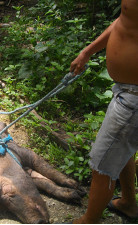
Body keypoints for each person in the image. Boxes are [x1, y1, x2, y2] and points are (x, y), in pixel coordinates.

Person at [69, 0, 138, 222]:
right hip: (127, 92)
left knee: (103, 163)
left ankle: (89, 220)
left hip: (134, 99)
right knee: (123, 150)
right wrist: (88, 51)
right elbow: (124, 21)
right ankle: (128, 202)